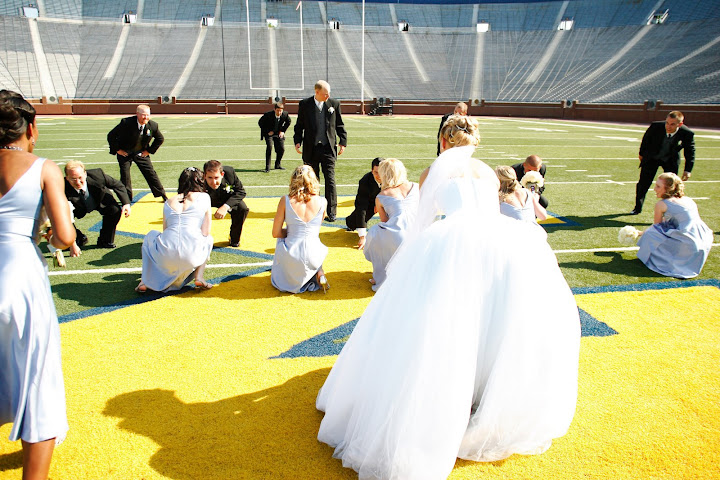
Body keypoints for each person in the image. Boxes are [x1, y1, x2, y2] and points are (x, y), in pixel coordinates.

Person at [316, 115, 580, 480]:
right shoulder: (487, 171)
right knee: (489, 316)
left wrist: (411, 257)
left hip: (450, 244)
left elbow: (423, 220)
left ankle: (442, 396)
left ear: (443, 140)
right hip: (495, 243)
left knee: (442, 321)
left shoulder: (434, 170)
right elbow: (489, 213)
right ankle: (478, 391)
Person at [0, 91, 75, 480]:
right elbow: (64, 236)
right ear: (31, 128)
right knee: (38, 381)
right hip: (20, 274)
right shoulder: (44, 167)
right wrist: (50, 235)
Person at [136, 167, 214, 293]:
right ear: (201, 181)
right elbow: (206, 231)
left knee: (151, 235)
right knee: (208, 239)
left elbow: (165, 230)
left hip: (165, 254)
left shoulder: (169, 201)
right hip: (191, 255)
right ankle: (199, 276)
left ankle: (144, 280)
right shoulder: (204, 197)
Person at [636, 173, 712, 278]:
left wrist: (639, 233)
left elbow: (656, 227)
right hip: (703, 238)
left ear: (668, 189)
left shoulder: (661, 204)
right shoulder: (687, 199)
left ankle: (662, 260)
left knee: (650, 234)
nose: (654, 189)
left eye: (658, 186)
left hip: (688, 240)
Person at [362, 158, 419, 291]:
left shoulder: (381, 196)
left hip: (398, 234)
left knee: (376, 234)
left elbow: (385, 222)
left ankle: (381, 276)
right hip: (417, 231)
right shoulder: (416, 187)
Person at [294, 80, 347, 222]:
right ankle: (312, 210)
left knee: (330, 180)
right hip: (311, 148)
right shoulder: (304, 104)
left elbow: (339, 124)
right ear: (317, 92)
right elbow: (299, 125)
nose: (328, 96)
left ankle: (332, 212)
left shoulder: (334, 104)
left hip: (328, 148)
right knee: (311, 181)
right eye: (325, 93)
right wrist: (297, 140)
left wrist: (343, 141)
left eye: (329, 93)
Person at [270, 165, 329, 294]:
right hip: (314, 255)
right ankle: (319, 272)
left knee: (281, 239)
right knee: (313, 243)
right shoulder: (322, 201)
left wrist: (289, 232)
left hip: (292, 254)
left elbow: (276, 233)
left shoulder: (285, 200)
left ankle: (304, 274)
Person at [632, 111, 695, 215]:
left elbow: (690, 152)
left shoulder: (687, 133)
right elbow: (645, 140)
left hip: (670, 160)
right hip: (652, 158)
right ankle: (637, 208)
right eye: (667, 123)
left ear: (680, 124)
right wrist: (641, 154)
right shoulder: (656, 126)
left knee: (671, 187)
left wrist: (688, 170)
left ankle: (669, 210)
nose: (668, 126)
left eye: (672, 124)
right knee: (643, 183)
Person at [64, 160, 131, 254]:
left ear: (85, 174)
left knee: (114, 210)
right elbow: (61, 215)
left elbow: (117, 185)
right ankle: (78, 237)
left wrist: (126, 203)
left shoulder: (98, 175)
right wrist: (72, 243)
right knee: (61, 218)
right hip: (77, 208)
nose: (78, 182)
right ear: (67, 178)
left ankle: (105, 240)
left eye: (80, 177)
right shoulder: (61, 186)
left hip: (99, 200)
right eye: (73, 179)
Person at [107, 104, 167, 201]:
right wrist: (117, 150)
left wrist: (149, 151)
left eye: (148, 115)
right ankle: (126, 199)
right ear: (137, 114)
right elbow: (111, 135)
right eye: (143, 115)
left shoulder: (153, 125)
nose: (146, 117)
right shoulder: (126, 123)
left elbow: (160, 139)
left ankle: (162, 194)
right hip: (125, 153)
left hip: (141, 153)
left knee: (151, 173)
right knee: (125, 176)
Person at [203, 160, 249, 248]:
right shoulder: (198, 179)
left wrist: (226, 206)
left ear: (222, 174)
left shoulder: (230, 173)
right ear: (204, 176)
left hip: (226, 198)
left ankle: (234, 239)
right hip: (206, 198)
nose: (214, 182)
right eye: (210, 178)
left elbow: (241, 192)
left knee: (242, 208)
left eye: (216, 178)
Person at [345, 157, 382, 246]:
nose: (379, 176)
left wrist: (380, 203)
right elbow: (362, 207)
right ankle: (350, 221)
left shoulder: (392, 176)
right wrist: (362, 236)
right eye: (376, 172)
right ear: (371, 170)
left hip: (386, 200)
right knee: (353, 222)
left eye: (382, 172)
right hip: (369, 202)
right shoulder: (365, 181)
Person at [258, 102, 291, 172]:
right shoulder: (268, 115)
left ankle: (277, 165)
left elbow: (288, 122)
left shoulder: (285, 114)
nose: (279, 112)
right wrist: (268, 131)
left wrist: (282, 131)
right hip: (269, 133)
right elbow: (260, 122)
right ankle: (267, 167)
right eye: (277, 110)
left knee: (281, 149)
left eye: (280, 111)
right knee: (269, 147)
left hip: (278, 133)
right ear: (274, 109)